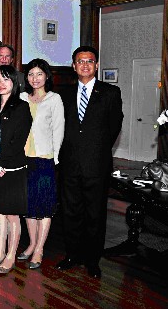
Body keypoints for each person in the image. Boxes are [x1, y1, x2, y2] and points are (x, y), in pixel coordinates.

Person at [55, 46, 123, 278]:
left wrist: (96, 150)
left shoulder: (111, 93)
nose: (85, 65)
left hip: (97, 165)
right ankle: (73, 255)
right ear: (73, 66)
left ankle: (93, 260)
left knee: (95, 214)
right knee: (71, 212)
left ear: (96, 65)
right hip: (69, 165)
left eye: (90, 61)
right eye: (80, 61)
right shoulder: (62, 94)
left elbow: (113, 128)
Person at [0, 65, 32, 275]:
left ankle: (11, 255)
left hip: (12, 169)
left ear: (14, 83)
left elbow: (17, 142)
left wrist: (0, 163)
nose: (0, 83)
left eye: (5, 79)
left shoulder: (21, 107)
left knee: (12, 215)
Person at [18, 59, 64, 269]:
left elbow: (58, 131)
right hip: (23, 159)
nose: (34, 78)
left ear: (46, 76)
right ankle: (31, 244)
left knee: (44, 206)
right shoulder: (21, 98)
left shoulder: (54, 99)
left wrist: (54, 159)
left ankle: (39, 249)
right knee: (29, 206)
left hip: (45, 159)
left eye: (39, 74)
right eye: (30, 74)